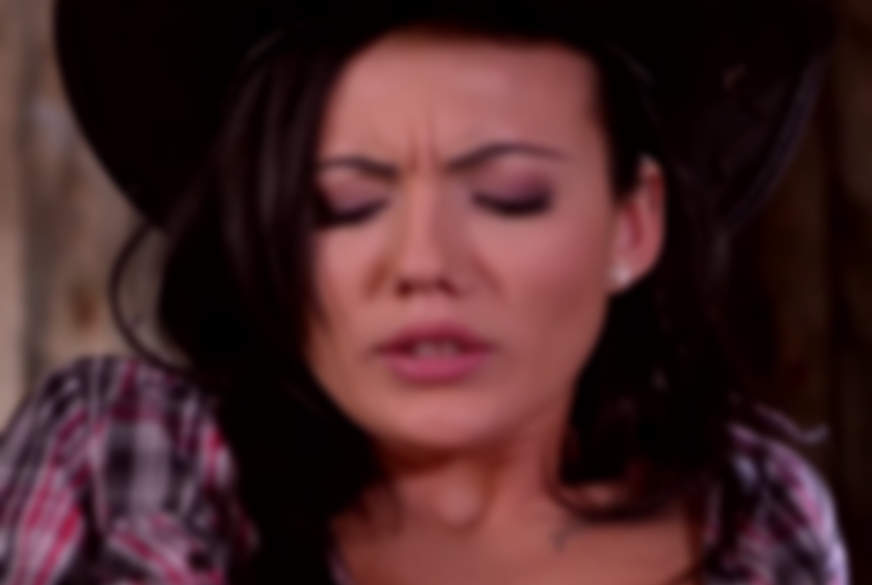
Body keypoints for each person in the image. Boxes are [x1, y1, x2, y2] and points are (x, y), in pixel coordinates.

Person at [0, 0, 848, 584]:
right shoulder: (121, 460)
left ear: (632, 225)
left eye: (509, 196)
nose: (422, 262)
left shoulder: (755, 521)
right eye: (345, 204)